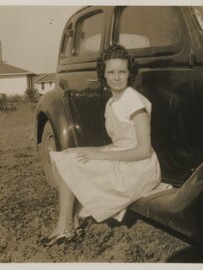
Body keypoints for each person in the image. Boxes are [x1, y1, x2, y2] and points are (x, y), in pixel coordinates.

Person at [39, 45, 161, 247]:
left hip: (140, 168)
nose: (116, 77)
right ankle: (69, 222)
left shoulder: (134, 102)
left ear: (129, 73)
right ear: (103, 74)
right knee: (68, 155)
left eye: (122, 72)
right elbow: (118, 144)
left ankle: (65, 226)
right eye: (111, 72)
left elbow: (143, 150)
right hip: (124, 160)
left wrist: (100, 156)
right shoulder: (112, 103)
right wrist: (88, 150)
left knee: (71, 162)